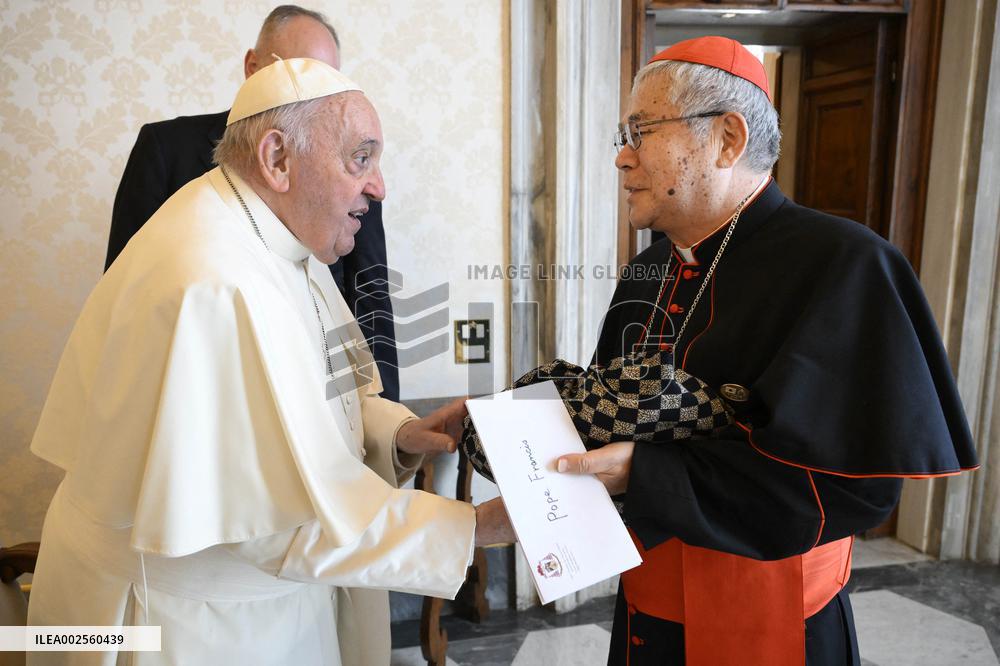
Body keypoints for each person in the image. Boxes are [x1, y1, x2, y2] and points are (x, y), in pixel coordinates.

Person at [27, 58, 513, 666]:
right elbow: (282, 526)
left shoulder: (271, 235)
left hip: (256, 608)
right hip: (179, 627)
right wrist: (477, 527)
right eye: (361, 159)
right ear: (277, 159)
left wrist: (397, 432)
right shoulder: (216, 279)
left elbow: (316, 395)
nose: (380, 186)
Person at [555, 36, 979, 666]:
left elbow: (856, 486)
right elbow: (613, 407)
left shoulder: (845, 262)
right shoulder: (648, 269)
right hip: (648, 605)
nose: (622, 157)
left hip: (772, 610)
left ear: (727, 139)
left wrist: (646, 475)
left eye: (641, 130)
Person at [105, 4, 401, 401]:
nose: (310, 91)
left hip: (318, 387)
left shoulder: (354, 176)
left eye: (324, 78)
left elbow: (369, 294)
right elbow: (126, 294)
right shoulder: (166, 149)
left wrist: (390, 426)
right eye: (295, 71)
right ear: (252, 66)